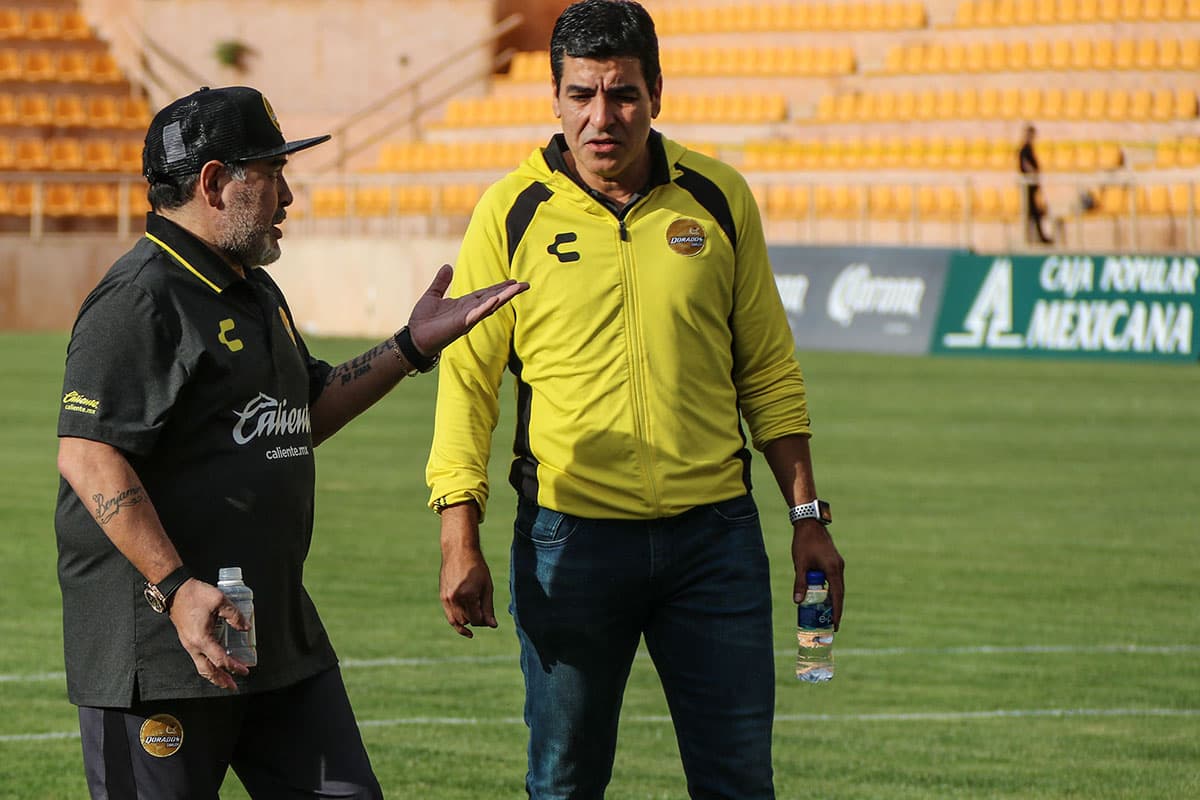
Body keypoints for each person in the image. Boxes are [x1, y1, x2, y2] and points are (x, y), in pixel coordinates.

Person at [55, 85, 527, 799]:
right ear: (215, 183)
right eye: (271, 174)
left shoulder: (253, 290)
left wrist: (409, 346)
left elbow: (301, 412)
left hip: (272, 635)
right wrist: (180, 590)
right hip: (165, 653)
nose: (288, 196)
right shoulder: (141, 298)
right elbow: (87, 453)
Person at [427, 2, 845, 797]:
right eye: (581, 94)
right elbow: (469, 384)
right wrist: (459, 535)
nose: (601, 117)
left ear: (657, 92)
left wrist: (807, 516)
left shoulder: (718, 199)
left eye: (622, 95)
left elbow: (768, 372)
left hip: (713, 544)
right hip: (567, 545)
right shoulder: (509, 213)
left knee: (739, 784)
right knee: (564, 784)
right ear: (553, 97)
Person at [1018, 123, 1053, 244]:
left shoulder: (1029, 148)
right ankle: (1036, 238)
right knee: (1032, 213)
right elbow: (1025, 165)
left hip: (1032, 186)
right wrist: (1033, 173)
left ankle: (1036, 238)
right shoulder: (1024, 149)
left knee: (1034, 213)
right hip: (1028, 186)